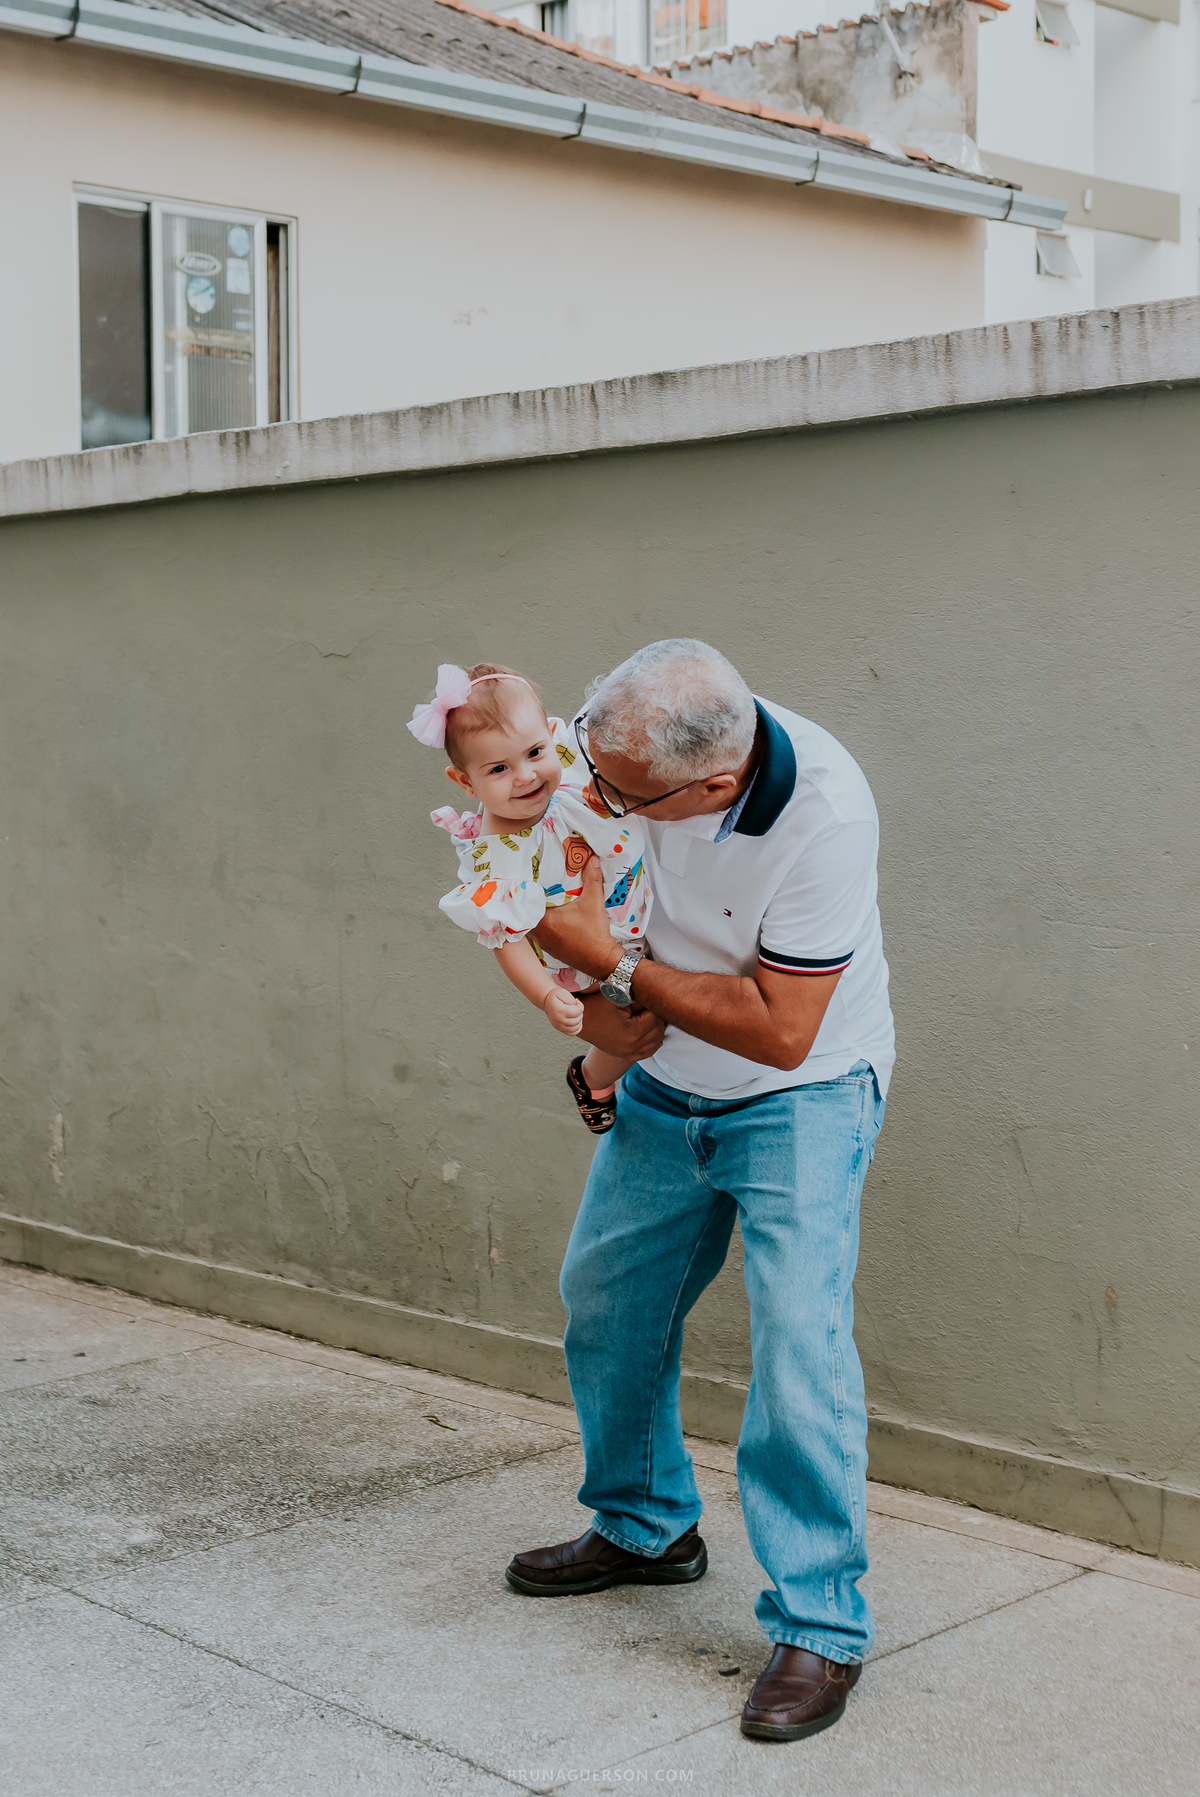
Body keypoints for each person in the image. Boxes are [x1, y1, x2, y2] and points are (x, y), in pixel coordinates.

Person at [504, 639, 895, 1745]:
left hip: (802, 1094)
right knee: (609, 1303)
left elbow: (784, 1030)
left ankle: (821, 1624)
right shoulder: (629, 743)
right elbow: (534, 848)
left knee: (799, 1347)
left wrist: (616, 970)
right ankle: (644, 1527)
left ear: (711, 788)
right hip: (665, 1083)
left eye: (621, 792)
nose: (590, 787)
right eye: (590, 756)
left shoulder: (821, 815)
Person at [409, 662, 651, 1132]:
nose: (526, 776)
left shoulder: (564, 768)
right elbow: (508, 940)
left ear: (548, 735)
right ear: (465, 782)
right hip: (584, 961)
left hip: (637, 916)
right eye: (498, 768)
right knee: (636, 1032)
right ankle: (591, 1078)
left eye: (535, 751)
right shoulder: (499, 857)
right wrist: (544, 997)